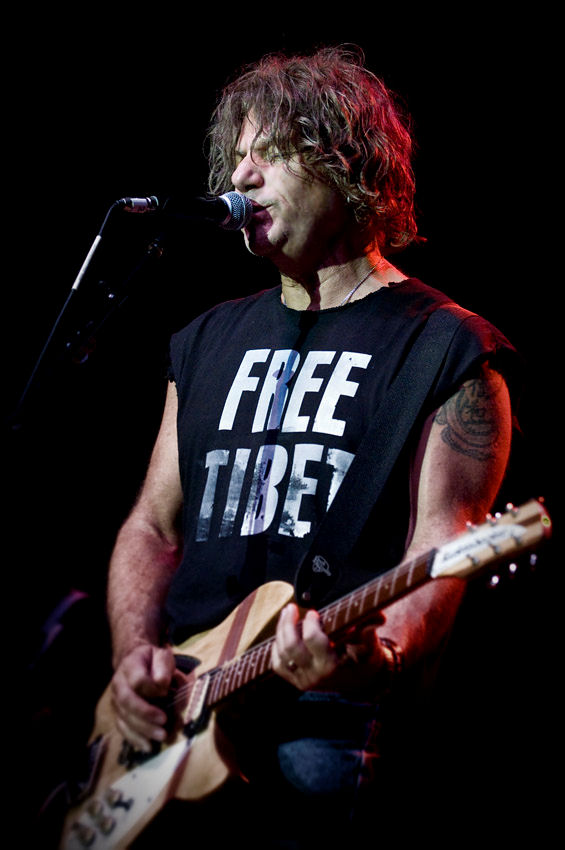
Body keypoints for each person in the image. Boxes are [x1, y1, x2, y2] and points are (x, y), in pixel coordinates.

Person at [106, 46, 519, 846]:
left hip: (324, 717)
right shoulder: (204, 340)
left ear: (346, 163)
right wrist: (133, 658)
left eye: (270, 152)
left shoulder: (448, 348)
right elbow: (153, 526)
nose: (241, 176)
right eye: (237, 157)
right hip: (177, 713)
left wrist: (379, 656)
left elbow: (444, 543)